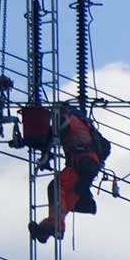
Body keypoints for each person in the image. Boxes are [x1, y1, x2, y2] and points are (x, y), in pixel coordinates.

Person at [30, 103, 110, 243]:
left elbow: (53, 135)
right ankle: (51, 227)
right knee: (66, 193)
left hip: (82, 162)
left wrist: (45, 153)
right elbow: (104, 146)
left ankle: (54, 225)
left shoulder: (66, 119)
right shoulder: (83, 123)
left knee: (56, 187)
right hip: (86, 164)